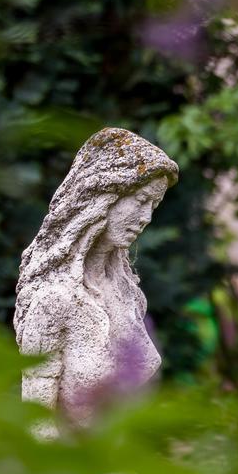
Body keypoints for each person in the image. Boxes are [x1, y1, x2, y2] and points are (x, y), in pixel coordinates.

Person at [14, 127, 178, 430]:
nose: (146, 218)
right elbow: (37, 429)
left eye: (153, 206)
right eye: (141, 200)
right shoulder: (54, 299)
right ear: (105, 196)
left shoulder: (127, 292)